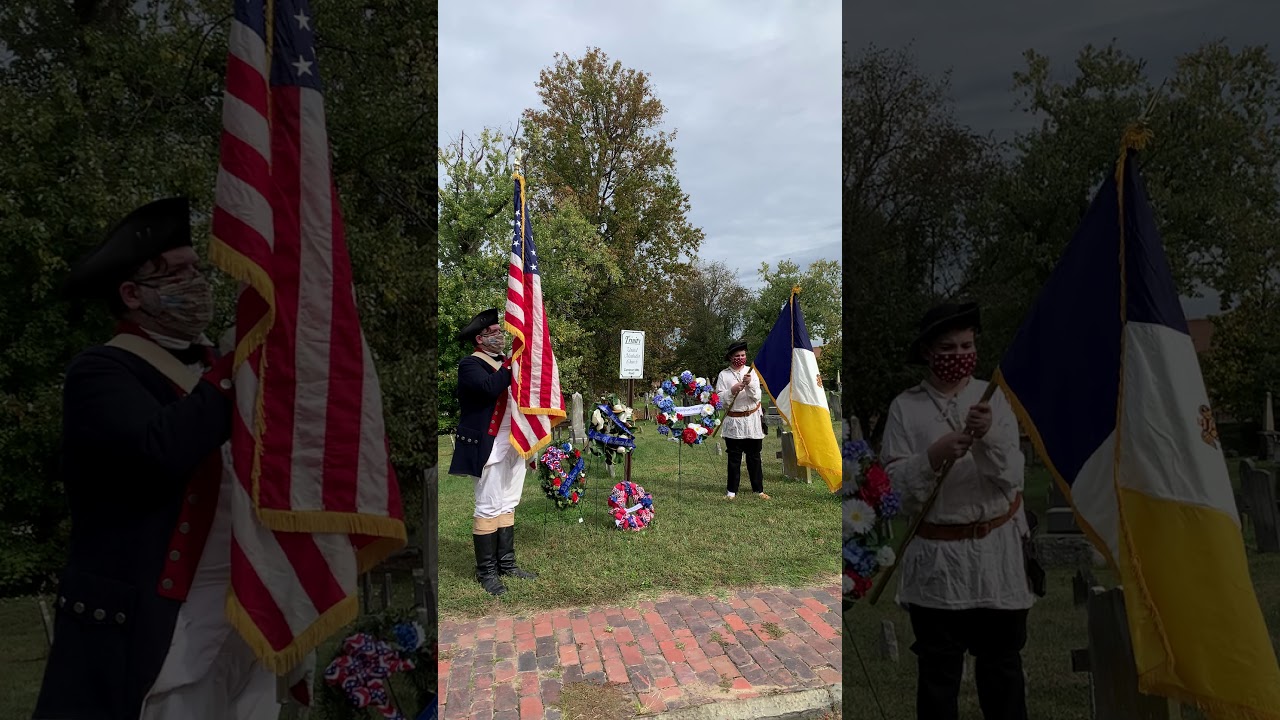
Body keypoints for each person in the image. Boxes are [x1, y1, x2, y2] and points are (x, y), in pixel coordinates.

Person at [34, 197, 279, 720]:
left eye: (197, 268)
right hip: (169, 618)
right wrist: (237, 366)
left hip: (243, 603)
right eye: (179, 272)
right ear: (132, 294)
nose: (199, 282)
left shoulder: (216, 366)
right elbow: (160, 449)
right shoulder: (100, 372)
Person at [880, 302, 1033, 720]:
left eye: (967, 344)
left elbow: (1013, 477)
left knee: (1002, 672)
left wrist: (990, 440)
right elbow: (892, 491)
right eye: (948, 346)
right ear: (928, 351)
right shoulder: (905, 408)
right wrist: (931, 456)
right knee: (938, 676)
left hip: (996, 554)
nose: (959, 353)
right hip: (938, 563)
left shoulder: (993, 398)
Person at [448, 309, 537, 597]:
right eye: (495, 332)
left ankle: (507, 564)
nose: (500, 336)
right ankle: (486, 572)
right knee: (488, 505)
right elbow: (489, 389)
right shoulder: (470, 364)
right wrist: (512, 363)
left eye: (501, 331)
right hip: (487, 444)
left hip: (513, 440)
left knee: (508, 502)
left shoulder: (506, 364)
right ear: (480, 338)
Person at [714, 340, 769, 500]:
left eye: (743, 355)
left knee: (754, 457)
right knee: (734, 458)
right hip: (734, 422)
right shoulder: (724, 375)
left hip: (752, 420)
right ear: (731, 357)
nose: (740, 358)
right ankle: (731, 491)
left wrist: (750, 383)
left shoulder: (752, 372)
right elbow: (719, 400)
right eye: (737, 355)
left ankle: (758, 490)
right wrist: (731, 390)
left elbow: (757, 397)